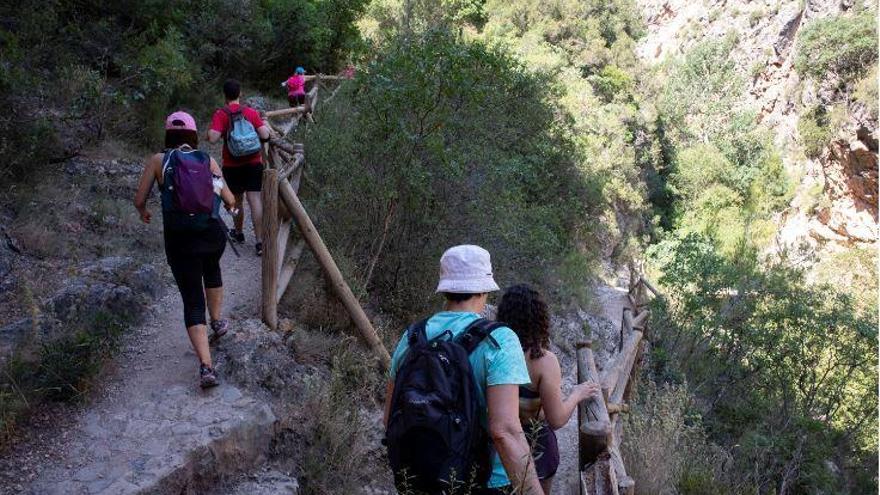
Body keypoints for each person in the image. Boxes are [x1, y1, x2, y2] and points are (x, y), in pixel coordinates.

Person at [384, 245, 544, 495]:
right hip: (484, 480)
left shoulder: (413, 336)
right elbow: (505, 431)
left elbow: (390, 417)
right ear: (484, 288)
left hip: (420, 477)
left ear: (445, 288)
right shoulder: (500, 340)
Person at [134, 111, 237, 388]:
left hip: (180, 241)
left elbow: (139, 198)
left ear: (168, 134)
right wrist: (228, 206)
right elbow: (229, 198)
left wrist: (144, 211)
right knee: (212, 268)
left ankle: (206, 367)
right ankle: (217, 321)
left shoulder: (159, 160)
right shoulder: (208, 160)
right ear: (192, 135)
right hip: (211, 234)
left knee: (192, 299)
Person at [496, 284, 601, 494]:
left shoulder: (494, 352)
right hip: (537, 449)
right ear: (540, 319)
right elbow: (557, 419)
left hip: (500, 450)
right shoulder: (543, 361)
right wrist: (576, 394)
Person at [208, 79, 271, 256]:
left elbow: (213, 138)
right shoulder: (250, 112)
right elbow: (265, 134)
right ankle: (259, 242)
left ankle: (239, 232)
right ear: (240, 93)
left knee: (236, 201)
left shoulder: (221, 114)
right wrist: (264, 124)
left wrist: (209, 132)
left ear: (224, 95)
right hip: (253, 163)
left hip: (232, 164)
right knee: (255, 200)